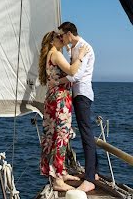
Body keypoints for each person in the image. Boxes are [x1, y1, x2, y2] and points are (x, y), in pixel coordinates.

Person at [39, 30, 90, 191]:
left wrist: (69, 48)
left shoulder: (53, 54)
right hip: (60, 100)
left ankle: (60, 172)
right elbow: (72, 71)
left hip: (54, 98)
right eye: (58, 37)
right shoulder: (55, 54)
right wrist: (80, 55)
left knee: (55, 136)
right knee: (60, 137)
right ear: (52, 41)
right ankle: (57, 181)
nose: (62, 38)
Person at [59, 21, 98, 193]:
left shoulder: (85, 48)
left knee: (86, 134)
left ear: (69, 33)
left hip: (82, 94)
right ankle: (94, 173)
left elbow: (78, 74)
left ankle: (89, 180)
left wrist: (58, 81)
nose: (61, 38)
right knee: (86, 133)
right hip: (77, 94)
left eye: (62, 35)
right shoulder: (74, 47)